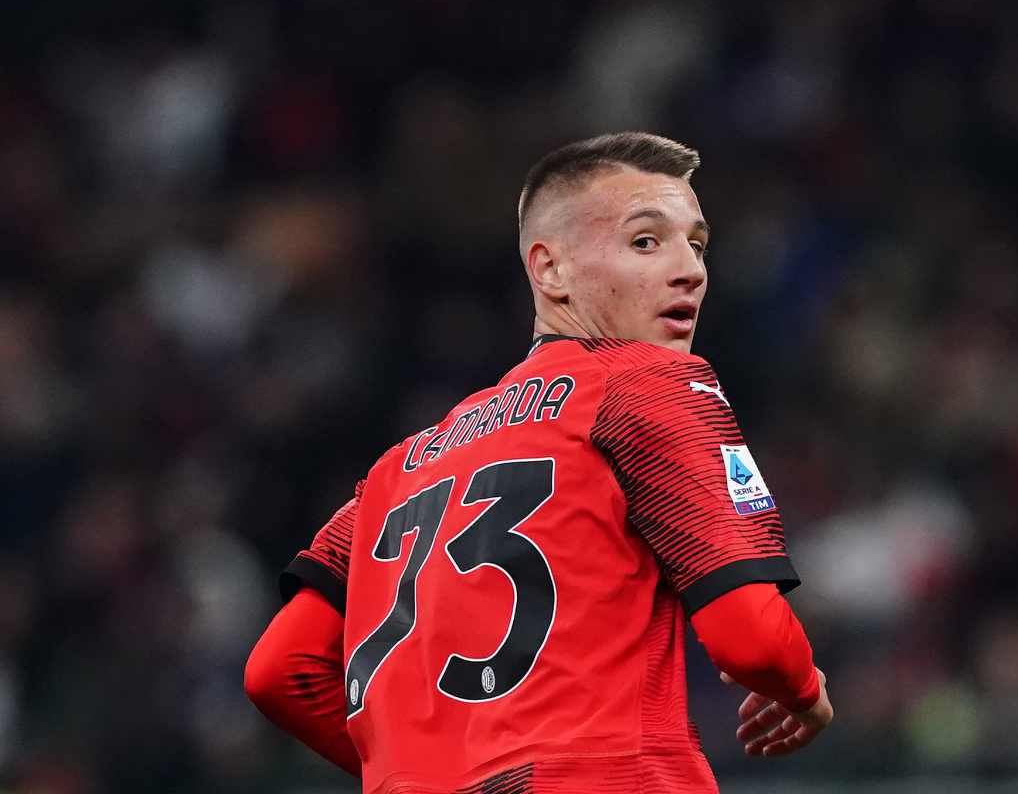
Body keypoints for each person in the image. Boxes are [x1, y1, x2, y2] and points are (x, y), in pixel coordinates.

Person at [244, 132, 833, 793]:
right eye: (646, 241)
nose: (690, 270)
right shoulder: (645, 385)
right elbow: (752, 640)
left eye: (696, 245)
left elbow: (280, 669)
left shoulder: (399, 467)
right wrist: (804, 691)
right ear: (549, 270)